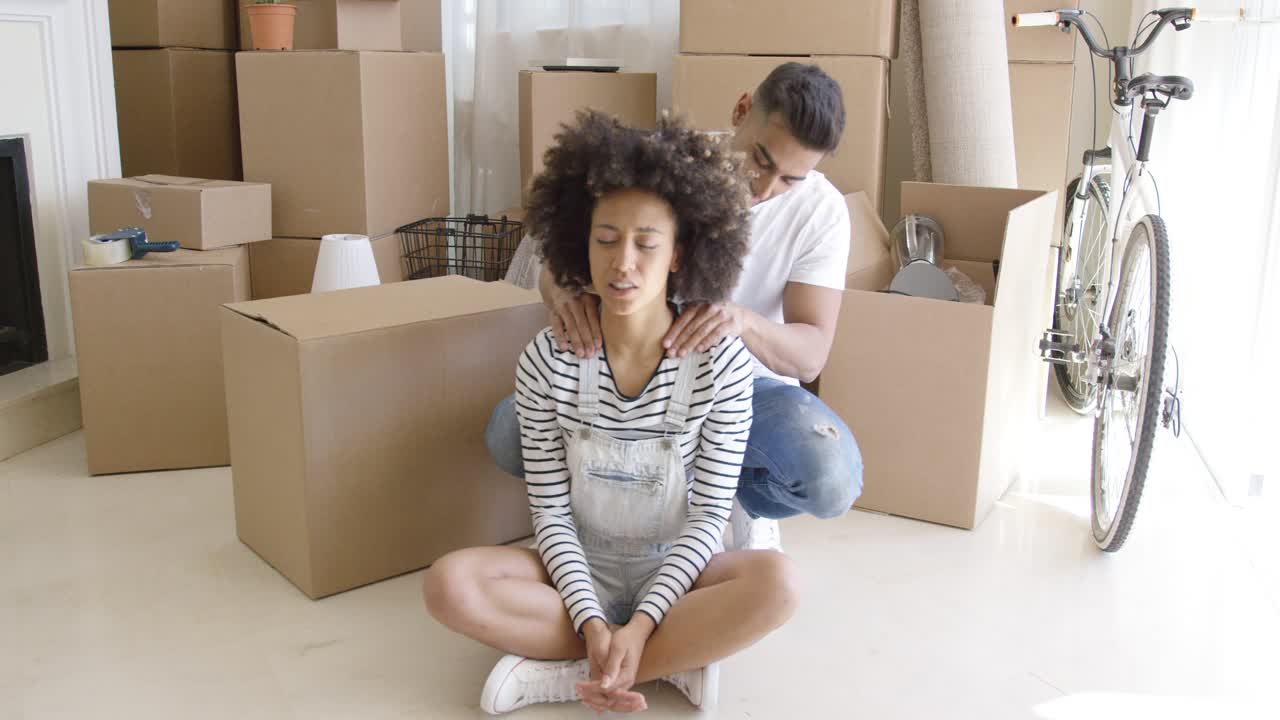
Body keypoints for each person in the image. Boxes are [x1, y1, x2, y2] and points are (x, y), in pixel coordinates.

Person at [423, 112, 798, 715]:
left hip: (678, 570)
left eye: (647, 244)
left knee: (778, 586)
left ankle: (573, 672)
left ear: (680, 254)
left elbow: (707, 518)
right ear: (580, 243)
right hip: (579, 568)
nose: (623, 263)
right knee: (449, 584)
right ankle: (660, 664)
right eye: (605, 240)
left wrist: (645, 622)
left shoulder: (721, 364)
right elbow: (548, 510)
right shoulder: (546, 359)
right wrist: (593, 619)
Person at [487, 62, 864, 551]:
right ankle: (633, 502)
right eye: (761, 159)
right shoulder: (662, 166)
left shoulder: (822, 212)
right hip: (628, 374)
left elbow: (811, 353)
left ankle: (732, 498)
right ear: (742, 109)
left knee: (830, 478)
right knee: (507, 433)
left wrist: (740, 320)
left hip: (743, 388)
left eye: (790, 179)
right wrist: (558, 290)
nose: (765, 188)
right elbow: (565, 256)